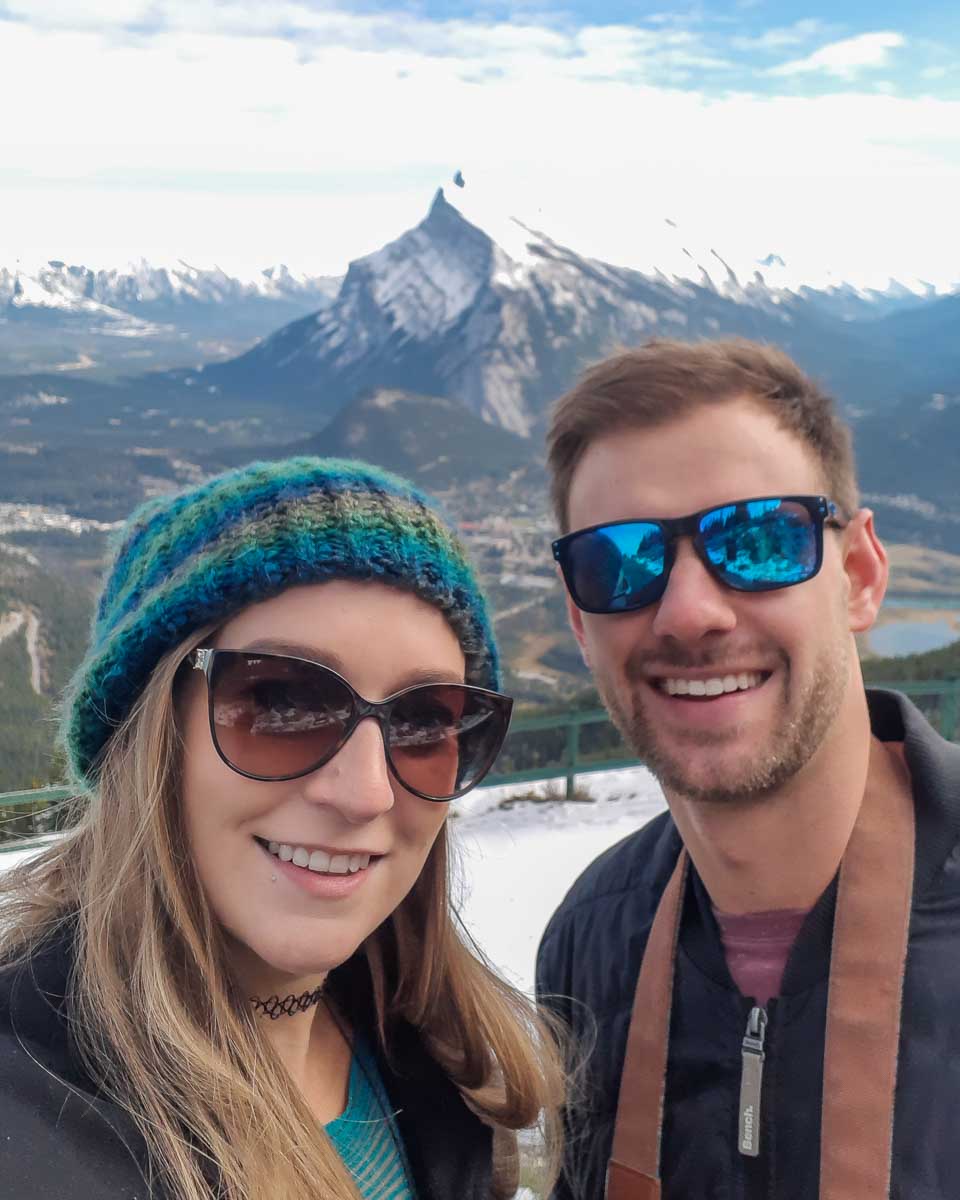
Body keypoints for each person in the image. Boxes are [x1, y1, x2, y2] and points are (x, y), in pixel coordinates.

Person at [0, 456, 564, 1200]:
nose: (365, 794)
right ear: (144, 736)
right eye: (282, 702)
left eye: (425, 721)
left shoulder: (425, 1053)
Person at [535, 338, 960, 1200]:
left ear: (860, 576)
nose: (689, 612)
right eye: (621, 562)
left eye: (760, 539)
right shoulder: (586, 944)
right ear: (582, 627)